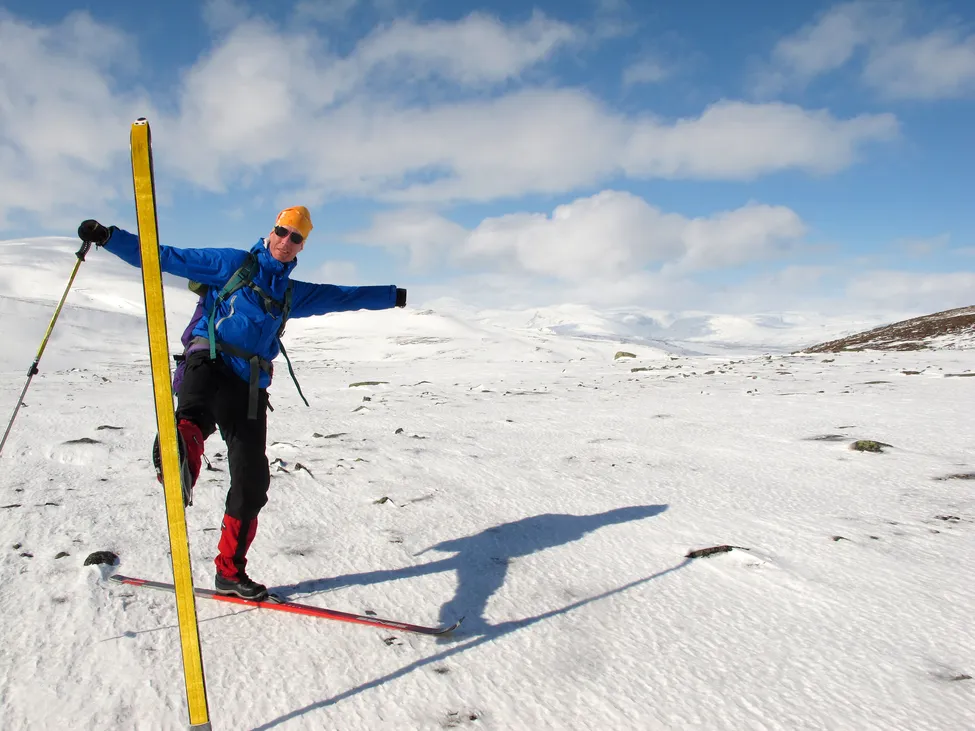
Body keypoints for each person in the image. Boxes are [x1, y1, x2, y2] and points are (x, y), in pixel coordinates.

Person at [78, 207, 406, 600]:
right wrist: (109, 237)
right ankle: (179, 458)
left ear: (303, 244)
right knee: (192, 419)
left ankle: (229, 572)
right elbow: (166, 256)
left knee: (252, 484)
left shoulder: (290, 292)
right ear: (271, 231)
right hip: (208, 360)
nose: (286, 241)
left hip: (249, 387)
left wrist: (392, 296)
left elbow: (343, 297)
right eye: (282, 231)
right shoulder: (233, 264)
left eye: (296, 237)